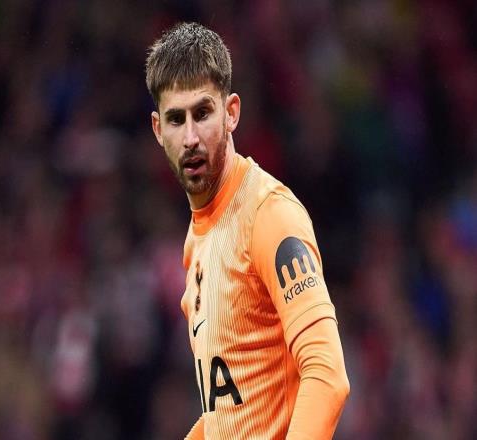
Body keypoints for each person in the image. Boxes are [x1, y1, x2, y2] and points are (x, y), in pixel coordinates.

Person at [145, 22, 350, 440]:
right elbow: (227, 414)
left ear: (232, 113)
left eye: (203, 113)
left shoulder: (269, 215)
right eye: (176, 119)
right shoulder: (197, 242)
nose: (190, 137)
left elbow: (327, 375)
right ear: (158, 129)